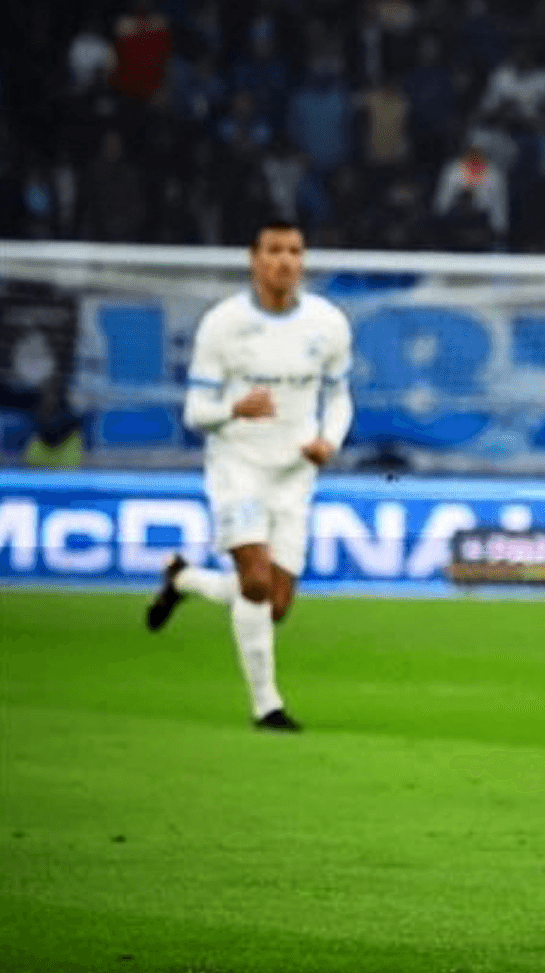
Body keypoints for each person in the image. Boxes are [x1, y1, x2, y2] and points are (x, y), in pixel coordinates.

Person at [145, 221, 354, 732]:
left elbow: (340, 398)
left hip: (296, 473)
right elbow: (195, 411)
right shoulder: (223, 325)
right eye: (274, 250)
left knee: (275, 605)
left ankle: (183, 579)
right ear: (254, 258)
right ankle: (267, 707)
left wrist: (329, 441)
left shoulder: (328, 323)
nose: (285, 261)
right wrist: (234, 409)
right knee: (256, 583)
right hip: (238, 468)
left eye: (294, 251)